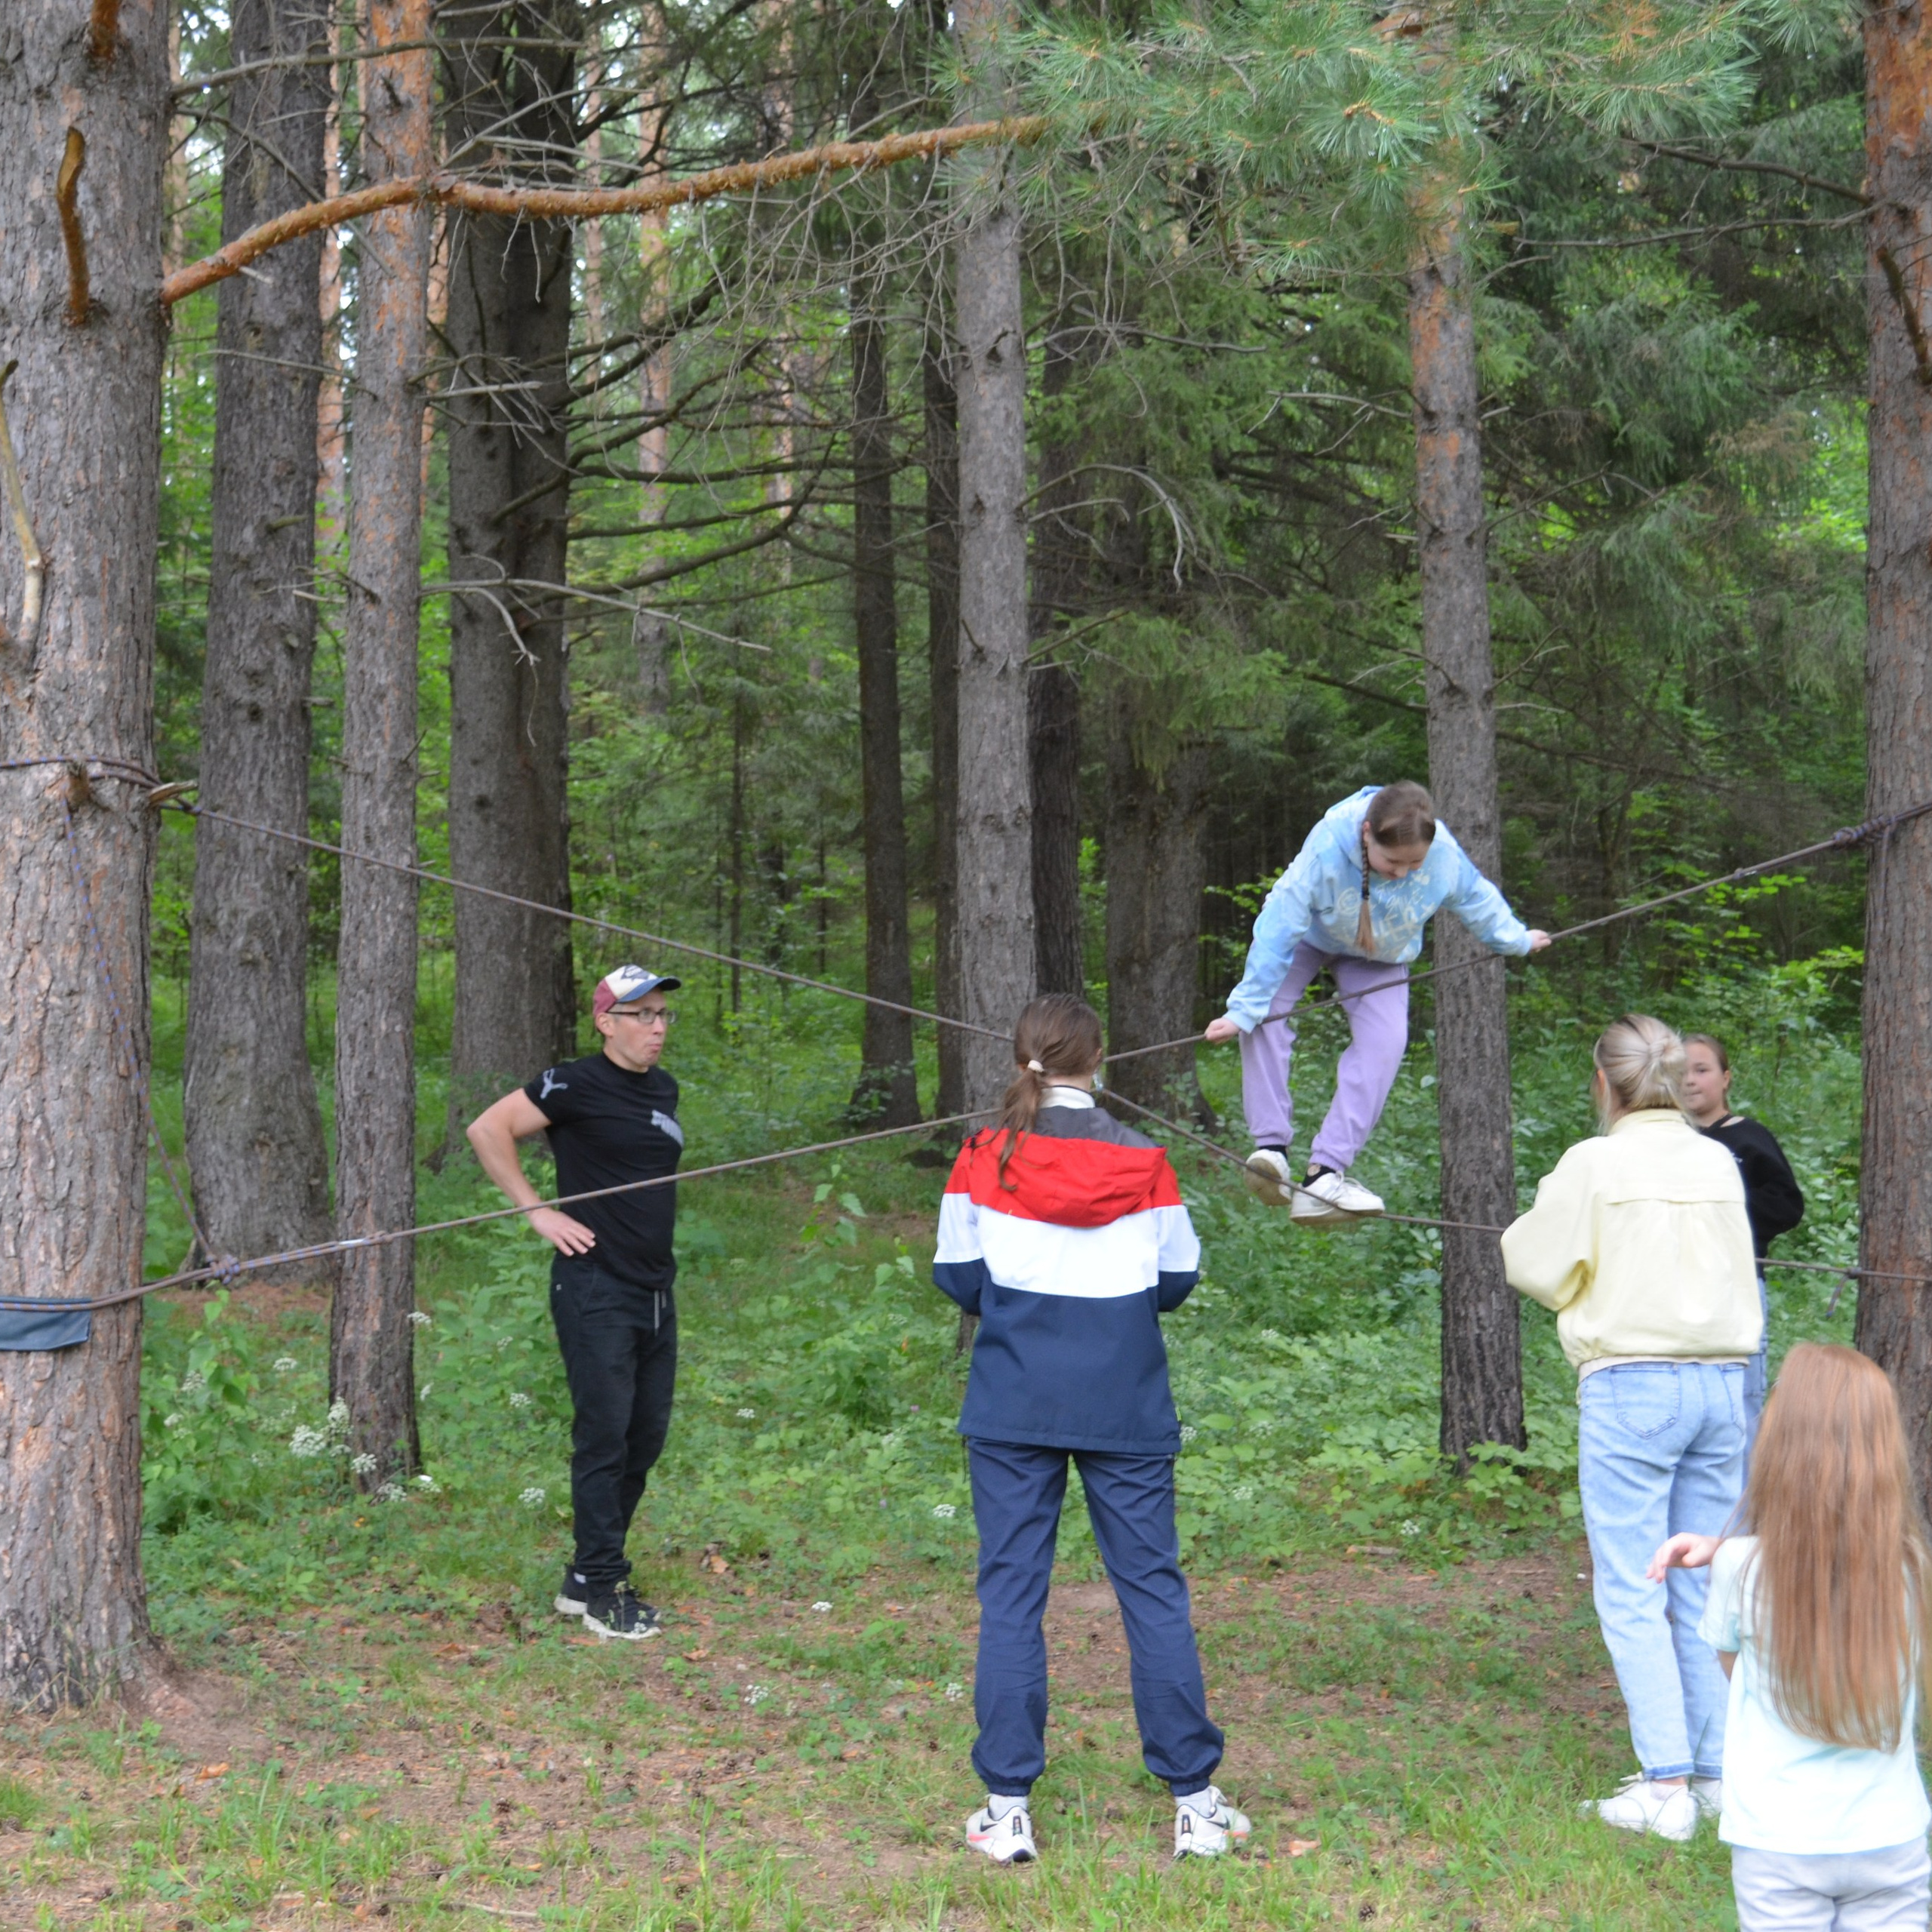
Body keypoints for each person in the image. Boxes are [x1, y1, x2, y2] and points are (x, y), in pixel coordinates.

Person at [932, 994, 1248, 1865]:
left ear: (1021, 1056)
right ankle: (1193, 1800)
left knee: (1010, 1597)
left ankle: (1006, 1806)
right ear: (1096, 1059)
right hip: (1121, 1396)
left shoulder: (981, 1155)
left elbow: (957, 1275)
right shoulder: (1143, 1157)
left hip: (1014, 1398)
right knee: (1151, 1589)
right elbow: (1176, 1277)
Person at [1500, 1014, 1761, 1841]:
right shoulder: (1718, 1158)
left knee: (1633, 1582)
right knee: (1701, 1579)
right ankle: (1716, 1774)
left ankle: (1666, 1783)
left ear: (1604, 1082)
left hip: (1634, 1387)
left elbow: (1533, 1266)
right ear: (1678, 1078)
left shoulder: (1595, 1161)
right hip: (1723, 1385)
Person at [1651, 1344, 1932, 1928]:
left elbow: (1737, 1671)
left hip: (1778, 1842)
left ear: (1780, 1448)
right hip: (1892, 1837)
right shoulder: (1912, 1570)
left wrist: (1726, 1553)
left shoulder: (1741, 1571)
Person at [1201, 782, 1551, 1225]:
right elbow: (1280, 922)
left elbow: (1474, 896)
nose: (1403, 873)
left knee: (1386, 1042)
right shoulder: (1330, 842)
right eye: (1393, 862)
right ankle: (1271, 1150)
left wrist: (1516, 939)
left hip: (1380, 954)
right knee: (1264, 1016)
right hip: (1307, 936)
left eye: (1414, 864)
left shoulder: (1441, 852)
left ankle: (1325, 1173)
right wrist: (1244, 1009)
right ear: (1367, 834)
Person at [466, 964, 685, 1643]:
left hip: (655, 1288)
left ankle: (583, 1579)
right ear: (605, 1022)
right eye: (641, 1015)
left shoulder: (665, 1089)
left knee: (643, 1439)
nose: (655, 1027)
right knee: (605, 1436)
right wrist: (538, 1213)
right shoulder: (573, 1082)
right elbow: (487, 1129)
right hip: (596, 1286)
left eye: (661, 1015)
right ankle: (603, 1586)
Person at [1681, 1032, 1804, 1456]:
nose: (1691, 1080)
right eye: (1681, 1071)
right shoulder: (1668, 1141)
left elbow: (1786, 1204)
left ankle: (1746, 1510)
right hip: (1675, 1289)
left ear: (1726, 1078)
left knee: (1743, 1398)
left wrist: (1725, 1215)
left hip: (1738, 1287)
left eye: (1702, 1069)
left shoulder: (1749, 1138)